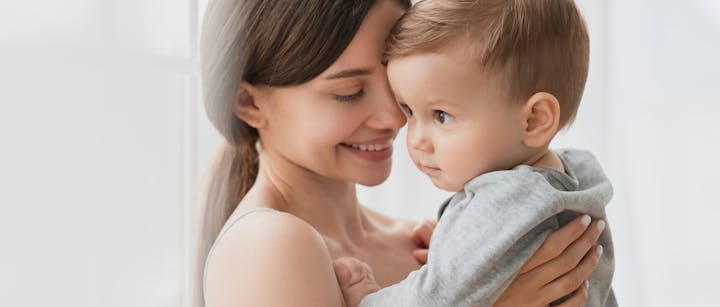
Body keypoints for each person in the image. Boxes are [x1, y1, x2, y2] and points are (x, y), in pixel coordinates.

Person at [196, 0, 606, 306]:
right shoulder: (270, 245)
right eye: (349, 93)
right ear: (249, 103)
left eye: (397, 89)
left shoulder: (431, 243)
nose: (396, 117)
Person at [332, 0, 618, 306]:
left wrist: (368, 301)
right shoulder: (569, 179)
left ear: (535, 120)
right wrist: (455, 247)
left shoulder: (506, 200)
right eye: (409, 110)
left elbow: (437, 297)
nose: (416, 140)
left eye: (442, 115)